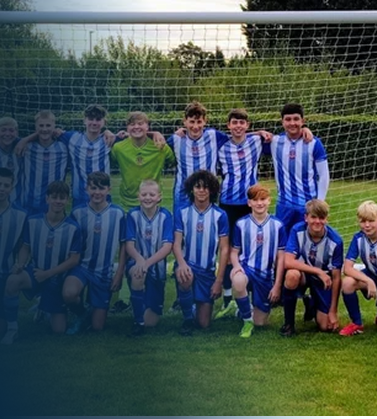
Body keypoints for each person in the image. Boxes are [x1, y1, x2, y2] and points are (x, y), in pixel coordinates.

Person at [1, 181, 81, 344]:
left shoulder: (73, 227)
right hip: (36, 273)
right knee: (13, 280)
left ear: (67, 200)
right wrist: (21, 264)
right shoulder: (33, 221)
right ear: (47, 199)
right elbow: (25, 247)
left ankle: (44, 307)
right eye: (54, 197)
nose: (58, 201)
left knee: (58, 331)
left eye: (62, 198)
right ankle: (12, 329)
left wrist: (48, 274)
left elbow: (74, 259)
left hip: (56, 279)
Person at [63, 171, 127, 334]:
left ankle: (91, 311)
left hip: (104, 272)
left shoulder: (118, 214)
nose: (97, 192)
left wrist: (119, 273)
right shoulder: (77, 213)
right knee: (69, 294)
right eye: (93, 188)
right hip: (82, 267)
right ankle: (82, 313)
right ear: (86, 189)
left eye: (101, 188)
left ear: (109, 190)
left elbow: (124, 245)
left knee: (98, 327)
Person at [173, 170, 229, 335]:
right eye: (198, 187)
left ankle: (193, 305)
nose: (202, 190)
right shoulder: (182, 212)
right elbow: (176, 244)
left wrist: (219, 281)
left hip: (207, 271)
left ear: (212, 190)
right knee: (186, 276)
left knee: (204, 324)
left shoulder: (220, 215)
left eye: (206, 187)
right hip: (188, 265)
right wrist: (181, 264)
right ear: (192, 189)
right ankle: (187, 319)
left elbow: (224, 249)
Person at [280, 199, 343, 337]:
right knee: (291, 275)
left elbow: (337, 277)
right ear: (306, 218)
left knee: (326, 326)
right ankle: (289, 324)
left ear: (327, 219)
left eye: (321, 218)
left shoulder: (336, 241)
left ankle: (312, 303)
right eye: (313, 217)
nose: (317, 221)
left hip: (323, 280)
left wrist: (333, 311)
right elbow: (288, 261)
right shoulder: (297, 230)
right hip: (305, 274)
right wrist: (317, 271)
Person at [230, 184, 286, 338]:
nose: (259, 203)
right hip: (247, 269)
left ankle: (245, 309)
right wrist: (236, 266)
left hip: (266, 275)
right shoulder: (241, 224)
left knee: (260, 323)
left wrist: (277, 285)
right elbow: (234, 252)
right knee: (238, 280)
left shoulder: (278, 225)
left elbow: (281, 258)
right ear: (249, 203)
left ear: (269, 201)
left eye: (263, 199)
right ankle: (247, 320)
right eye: (255, 200)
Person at [270, 103, 330, 234]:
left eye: (296, 119)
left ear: (303, 121)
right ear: (282, 122)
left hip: (307, 207)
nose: (292, 123)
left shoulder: (314, 143)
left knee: (305, 246)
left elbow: (324, 175)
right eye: (288, 119)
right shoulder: (274, 142)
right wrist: (260, 132)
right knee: (281, 246)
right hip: (284, 206)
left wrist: (319, 203)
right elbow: (242, 138)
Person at [125, 180, 173, 336]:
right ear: (138, 196)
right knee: (138, 274)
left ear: (159, 197)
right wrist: (140, 261)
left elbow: (167, 247)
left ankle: (143, 308)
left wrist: (147, 263)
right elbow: (129, 245)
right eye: (144, 194)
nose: (148, 198)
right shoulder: (132, 215)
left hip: (156, 269)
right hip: (137, 263)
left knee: (151, 323)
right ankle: (137, 322)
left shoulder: (165, 216)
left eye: (152, 194)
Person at [111, 111, 175, 212]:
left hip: (152, 200)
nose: (136, 127)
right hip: (127, 201)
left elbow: (175, 161)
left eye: (140, 124)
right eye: (132, 124)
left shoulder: (160, 147)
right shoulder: (118, 148)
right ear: (127, 128)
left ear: (147, 126)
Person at [339, 200, 377, 336]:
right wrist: (369, 281)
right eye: (363, 221)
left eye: (371, 221)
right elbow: (347, 268)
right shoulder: (358, 238)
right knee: (348, 282)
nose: (367, 225)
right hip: (372, 276)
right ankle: (357, 323)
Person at [22, 110, 68, 214]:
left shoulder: (64, 148)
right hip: (30, 204)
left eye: (48, 125)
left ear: (54, 126)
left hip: (55, 205)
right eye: (41, 126)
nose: (45, 129)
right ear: (36, 127)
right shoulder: (27, 147)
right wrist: (24, 140)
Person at [0, 168, 27, 340]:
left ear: (12, 187)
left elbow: (24, 245)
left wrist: (20, 263)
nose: (1, 189)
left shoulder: (20, 215)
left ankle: (12, 327)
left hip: (5, 273)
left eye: (5, 185)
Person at [0, 117, 22, 204]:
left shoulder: (22, 147)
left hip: (17, 202)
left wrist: (25, 141)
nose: (7, 134)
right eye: (3, 130)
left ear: (17, 133)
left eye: (11, 130)